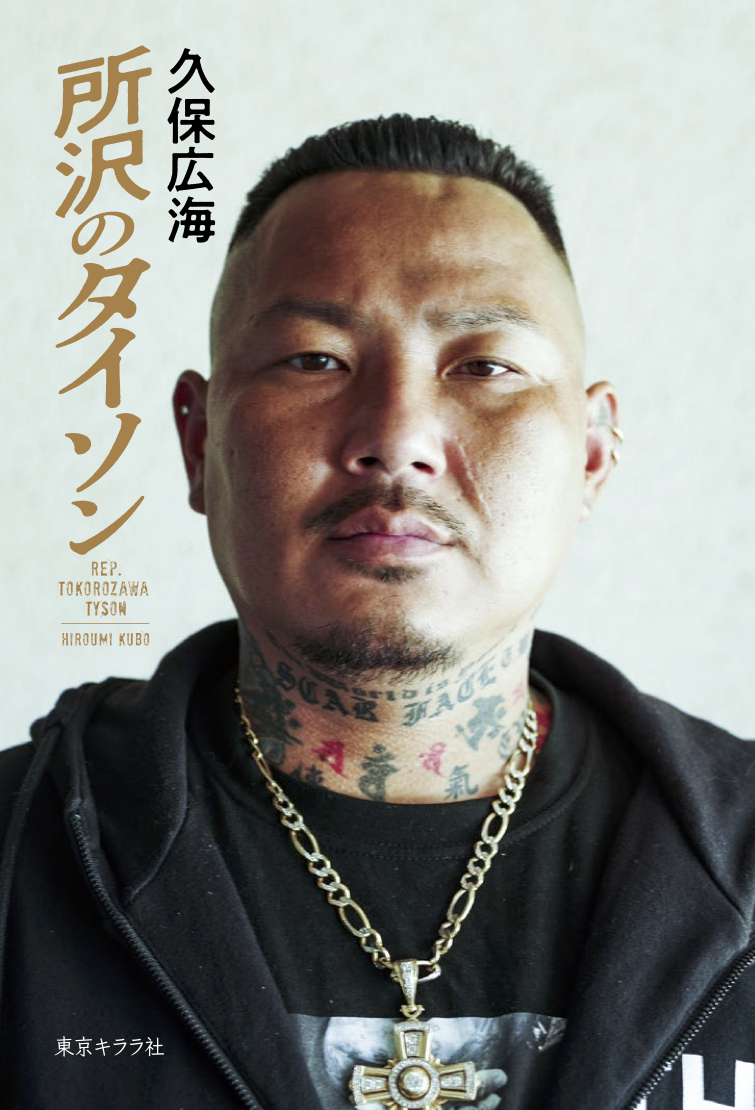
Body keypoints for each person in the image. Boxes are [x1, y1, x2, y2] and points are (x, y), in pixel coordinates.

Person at [1, 115, 753, 1110]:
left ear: (589, 453)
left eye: (483, 366)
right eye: (313, 359)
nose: (396, 437)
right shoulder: (20, 861)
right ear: (198, 442)